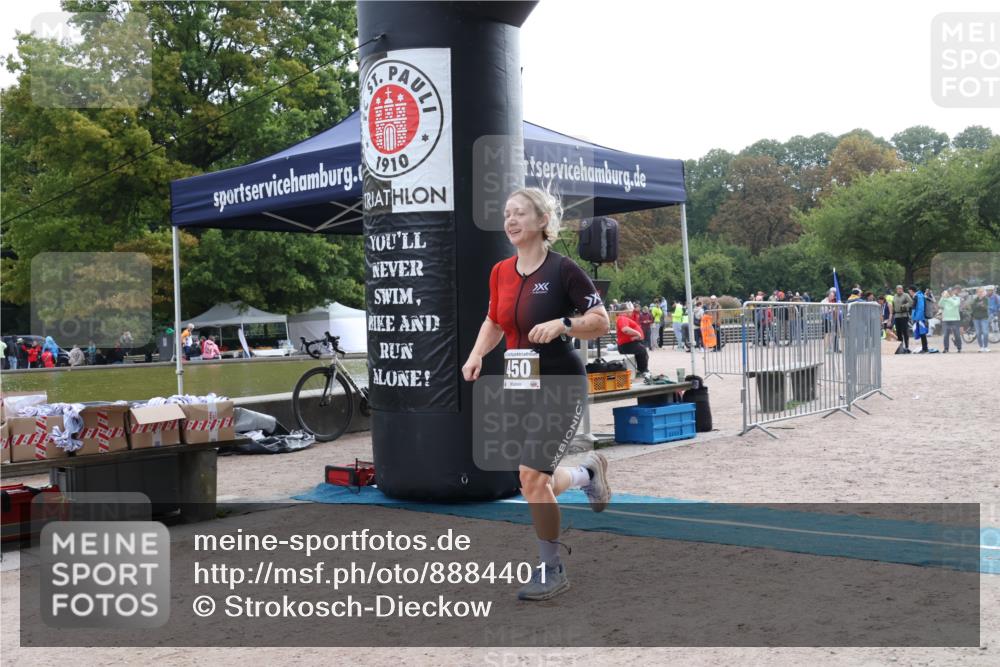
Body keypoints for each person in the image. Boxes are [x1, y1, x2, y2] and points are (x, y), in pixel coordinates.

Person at [461, 187, 612, 602]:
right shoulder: (500, 272)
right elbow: (494, 320)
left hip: (560, 382)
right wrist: (476, 355)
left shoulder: (564, 270)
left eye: (520, 213)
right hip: (519, 383)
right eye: (507, 214)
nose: (510, 220)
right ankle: (587, 475)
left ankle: (552, 567)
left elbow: (600, 321)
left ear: (543, 221)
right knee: (534, 481)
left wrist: (565, 323)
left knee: (530, 477)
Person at [616, 302, 650, 376]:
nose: (632, 311)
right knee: (642, 350)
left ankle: (642, 370)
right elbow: (625, 329)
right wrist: (637, 333)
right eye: (630, 309)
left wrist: (636, 336)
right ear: (625, 310)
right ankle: (643, 371)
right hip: (626, 345)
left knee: (642, 352)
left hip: (629, 343)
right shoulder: (622, 318)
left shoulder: (625, 318)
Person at [938, 288, 962, 353]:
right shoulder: (945, 299)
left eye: (950, 291)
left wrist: (949, 298)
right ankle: (946, 348)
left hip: (955, 319)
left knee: (957, 334)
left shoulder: (957, 298)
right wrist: (943, 297)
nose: (949, 293)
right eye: (948, 292)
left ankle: (959, 347)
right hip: (946, 319)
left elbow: (955, 304)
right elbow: (940, 304)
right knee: (945, 335)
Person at [908, 285, 929, 353]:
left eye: (909, 291)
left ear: (911, 291)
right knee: (922, 333)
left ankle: (925, 349)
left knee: (922, 333)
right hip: (920, 317)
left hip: (919, 318)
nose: (909, 293)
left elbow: (920, 308)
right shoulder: (919, 296)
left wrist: (916, 318)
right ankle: (925, 348)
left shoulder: (917, 296)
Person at [892, 284, 913, 352]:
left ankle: (906, 346)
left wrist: (905, 306)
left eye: (900, 289)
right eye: (898, 289)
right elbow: (893, 304)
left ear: (902, 289)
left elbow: (911, 303)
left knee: (905, 331)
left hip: (904, 315)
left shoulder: (906, 295)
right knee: (898, 332)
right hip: (897, 315)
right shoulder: (894, 296)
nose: (899, 290)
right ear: (896, 290)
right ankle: (900, 347)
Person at [971, 287, 991, 352]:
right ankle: (981, 347)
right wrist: (979, 305)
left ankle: (986, 346)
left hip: (984, 318)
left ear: (984, 293)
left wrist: (980, 306)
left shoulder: (986, 299)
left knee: (985, 332)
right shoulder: (975, 300)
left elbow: (985, 308)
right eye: (979, 292)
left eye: (982, 292)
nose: (980, 293)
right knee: (978, 333)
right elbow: (973, 308)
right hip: (976, 318)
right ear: (977, 293)